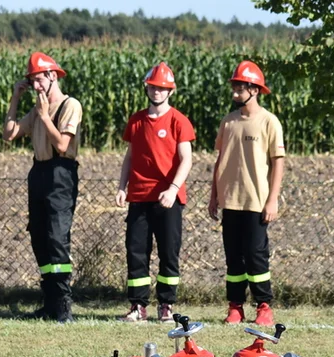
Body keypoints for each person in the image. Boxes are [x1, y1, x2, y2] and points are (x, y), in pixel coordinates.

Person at [2, 51, 83, 323]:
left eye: (38, 80)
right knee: (39, 236)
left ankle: (63, 305)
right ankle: (49, 302)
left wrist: (45, 116)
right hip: (38, 172)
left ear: (52, 76)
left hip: (60, 173)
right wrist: (15, 98)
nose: (35, 86)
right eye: (32, 82)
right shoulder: (36, 109)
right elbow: (10, 134)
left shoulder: (69, 106)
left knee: (57, 238)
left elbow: (62, 145)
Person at [115, 61, 195, 324]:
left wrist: (173, 189)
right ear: (147, 89)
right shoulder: (136, 121)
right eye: (153, 87)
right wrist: (121, 186)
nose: (157, 92)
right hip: (138, 197)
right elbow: (130, 156)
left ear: (170, 91)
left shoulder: (178, 121)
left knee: (168, 252)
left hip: (168, 199)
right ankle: (138, 305)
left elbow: (186, 159)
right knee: (136, 251)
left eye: (162, 88)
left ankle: (166, 305)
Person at [208, 60, 285, 326]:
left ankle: (264, 306)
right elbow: (220, 160)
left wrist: (272, 199)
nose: (234, 93)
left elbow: (278, 162)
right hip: (231, 201)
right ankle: (235, 307)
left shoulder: (269, 122)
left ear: (254, 89)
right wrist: (214, 195)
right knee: (233, 259)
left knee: (255, 256)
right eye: (234, 87)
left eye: (239, 88)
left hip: (256, 203)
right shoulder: (228, 122)